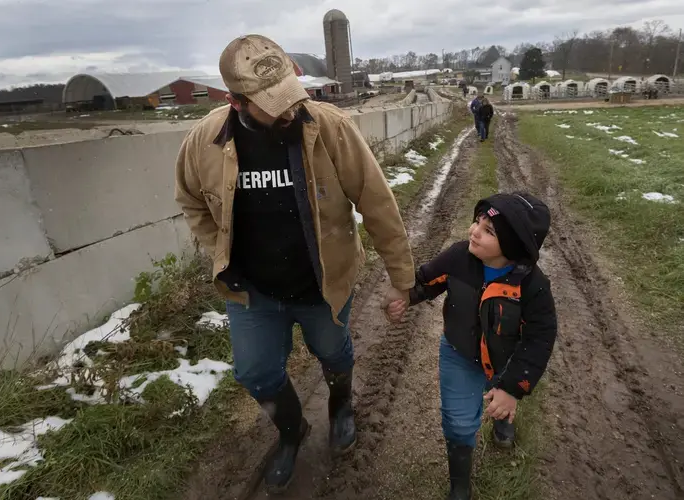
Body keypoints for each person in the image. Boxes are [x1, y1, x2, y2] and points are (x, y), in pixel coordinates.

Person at [175, 34, 415, 493]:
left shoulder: (329, 128)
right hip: (254, 291)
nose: (289, 110)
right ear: (235, 101)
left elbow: (378, 203)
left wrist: (401, 279)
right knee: (255, 372)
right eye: (272, 103)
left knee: (333, 351)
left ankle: (341, 405)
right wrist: (219, 254)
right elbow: (190, 200)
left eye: (290, 94)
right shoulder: (204, 141)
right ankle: (291, 431)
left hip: (322, 284)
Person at [386, 193, 557, 500]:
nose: (474, 231)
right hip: (458, 353)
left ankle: (503, 419)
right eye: (478, 221)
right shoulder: (458, 257)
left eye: (489, 230)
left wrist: (513, 388)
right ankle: (460, 483)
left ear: (515, 247)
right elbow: (427, 280)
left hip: (505, 360)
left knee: (502, 396)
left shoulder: (533, 287)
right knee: (458, 421)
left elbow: (540, 338)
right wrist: (404, 297)